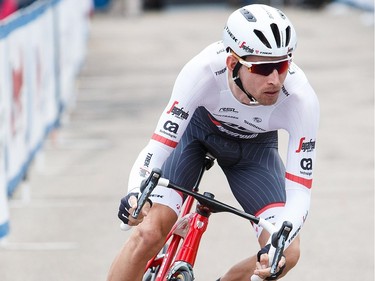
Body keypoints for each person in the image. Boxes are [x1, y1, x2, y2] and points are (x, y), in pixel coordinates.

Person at [107, 4, 319, 281]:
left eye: (283, 65)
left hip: (253, 152)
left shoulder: (301, 99)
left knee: (287, 253)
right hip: (195, 135)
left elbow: (300, 191)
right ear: (233, 64)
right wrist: (136, 192)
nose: (276, 79)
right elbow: (158, 146)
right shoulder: (202, 71)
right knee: (149, 232)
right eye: (263, 68)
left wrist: (282, 238)